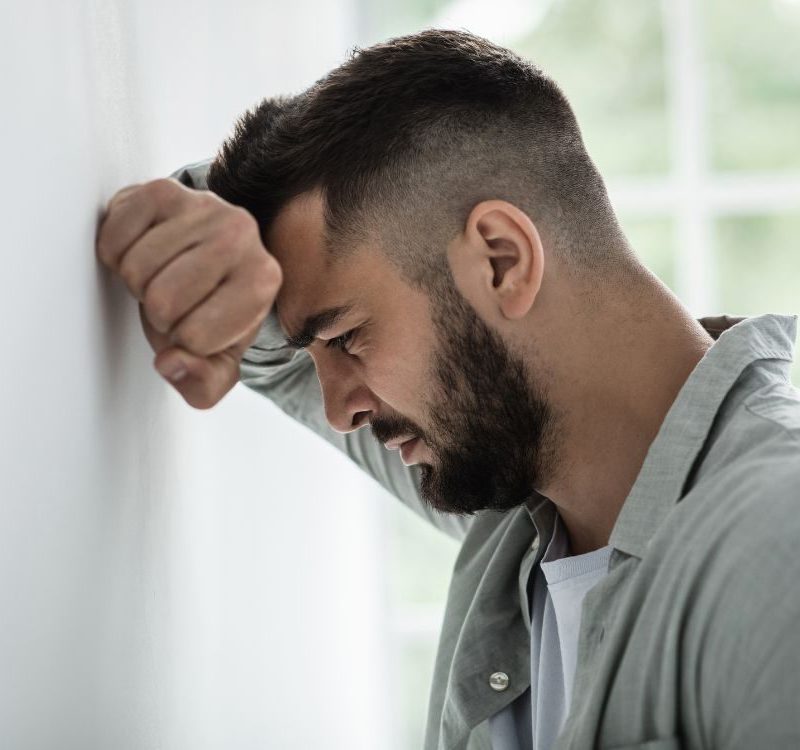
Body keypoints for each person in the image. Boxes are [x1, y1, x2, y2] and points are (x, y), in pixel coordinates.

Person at [95, 29, 800, 750]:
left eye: (345, 339)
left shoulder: (775, 549)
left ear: (500, 260)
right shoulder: (521, 503)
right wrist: (208, 239)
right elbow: (266, 350)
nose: (339, 409)